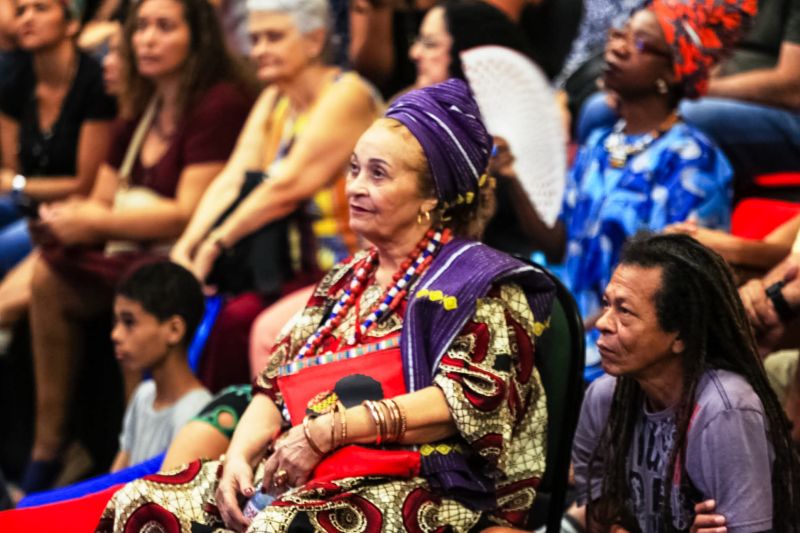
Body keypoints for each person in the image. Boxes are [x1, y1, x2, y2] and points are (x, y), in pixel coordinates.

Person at [97, 78, 555, 533]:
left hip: (424, 481)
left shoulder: (477, 284)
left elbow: (461, 404)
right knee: (140, 503)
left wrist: (328, 431)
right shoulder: (345, 279)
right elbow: (274, 387)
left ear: (431, 197)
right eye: (354, 168)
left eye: (378, 174)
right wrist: (238, 457)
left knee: (278, 527)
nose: (354, 186)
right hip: (310, 468)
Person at [21, 0, 254, 494]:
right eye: (141, 27)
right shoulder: (139, 105)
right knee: (47, 273)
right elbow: (104, 197)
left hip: (179, 259)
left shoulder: (218, 103)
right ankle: (47, 446)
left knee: (138, 298)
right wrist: (75, 219)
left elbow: (187, 210)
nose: (146, 38)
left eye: (164, 27)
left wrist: (95, 218)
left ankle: (135, 469)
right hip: (126, 251)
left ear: (198, 38)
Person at [170, 0, 380, 391]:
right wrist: (186, 247)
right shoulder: (275, 99)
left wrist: (214, 245)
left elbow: (285, 189)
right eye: (254, 39)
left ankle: (247, 436)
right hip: (295, 269)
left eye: (274, 37)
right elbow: (232, 178)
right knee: (222, 315)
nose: (259, 50)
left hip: (357, 267)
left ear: (315, 40)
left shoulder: (346, 94)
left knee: (239, 321)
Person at [523, 0, 747, 357]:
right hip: (571, 329)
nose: (617, 47)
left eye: (638, 43)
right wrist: (510, 177)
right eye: (619, 34)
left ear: (673, 71)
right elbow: (559, 243)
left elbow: (670, 285)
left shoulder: (691, 159)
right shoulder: (599, 143)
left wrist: (570, 339)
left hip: (630, 346)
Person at [571, 232, 800, 532]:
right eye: (606, 304)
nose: (602, 323)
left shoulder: (725, 411)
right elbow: (599, 514)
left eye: (624, 311)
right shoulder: (605, 397)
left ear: (679, 335)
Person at [578, 0, 800, 198]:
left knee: (686, 116)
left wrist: (694, 87)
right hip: (700, 86)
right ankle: (592, 208)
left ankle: (666, 214)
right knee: (597, 110)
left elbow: (791, 87)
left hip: (781, 112)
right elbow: (677, 35)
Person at [0, 0, 116, 277]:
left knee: (4, 247)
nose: (28, 18)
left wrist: (19, 185)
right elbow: (12, 168)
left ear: (71, 23)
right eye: (21, 11)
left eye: (40, 9)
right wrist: (18, 185)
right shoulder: (13, 81)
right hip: (25, 201)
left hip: (72, 208)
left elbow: (84, 185)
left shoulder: (95, 83)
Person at [110, 261, 212, 472]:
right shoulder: (143, 395)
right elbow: (113, 480)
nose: (116, 335)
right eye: (116, 322)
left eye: (129, 322)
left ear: (174, 330)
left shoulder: (196, 412)